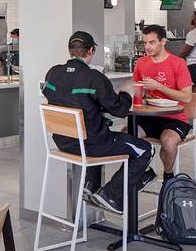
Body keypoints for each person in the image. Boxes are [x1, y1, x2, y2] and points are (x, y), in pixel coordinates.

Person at [43, 30, 154, 214]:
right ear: (92, 50)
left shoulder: (53, 73)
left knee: (98, 132)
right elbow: (120, 110)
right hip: (90, 145)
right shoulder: (94, 77)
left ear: (70, 50)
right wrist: (127, 91)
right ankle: (111, 194)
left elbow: (56, 95)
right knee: (145, 150)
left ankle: (89, 185)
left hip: (64, 142)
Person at [132, 24, 194, 182]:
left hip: (175, 118)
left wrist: (158, 86)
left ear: (163, 41)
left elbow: (187, 97)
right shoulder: (141, 63)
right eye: (145, 43)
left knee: (167, 141)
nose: (147, 47)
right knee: (128, 135)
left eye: (152, 42)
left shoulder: (178, 63)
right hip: (149, 117)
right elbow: (137, 90)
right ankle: (144, 172)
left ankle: (168, 177)